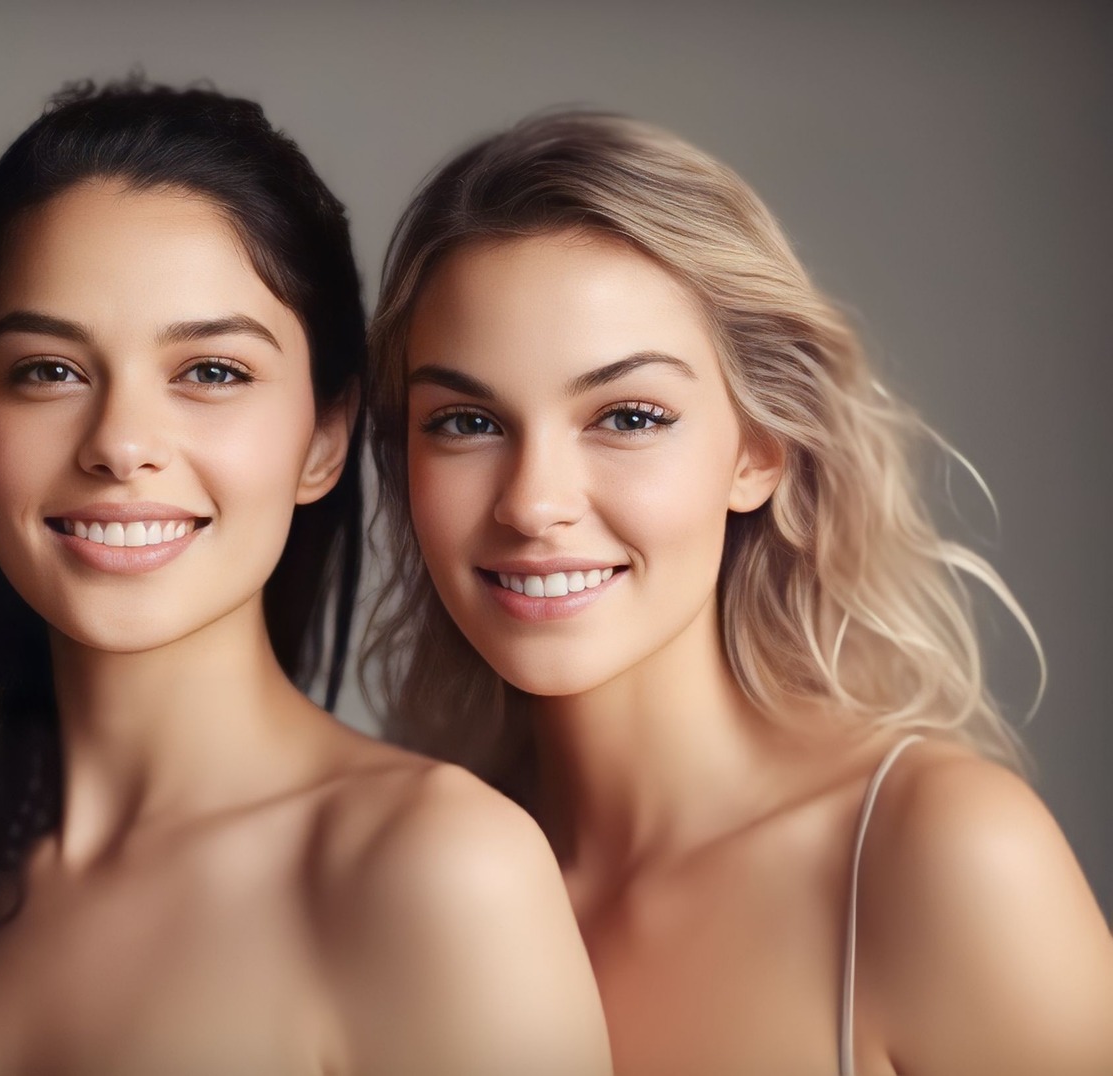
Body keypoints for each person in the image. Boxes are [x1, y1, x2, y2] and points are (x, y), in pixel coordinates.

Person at [0, 80, 611, 1076]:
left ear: (325, 438)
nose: (122, 443)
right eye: (48, 370)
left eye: (211, 371)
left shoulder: (432, 868)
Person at [364, 110, 1113, 1074]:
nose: (534, 503)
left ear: (759, 451)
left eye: (627, 416)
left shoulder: (937, 857)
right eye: (465, 422)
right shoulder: (415, 879)